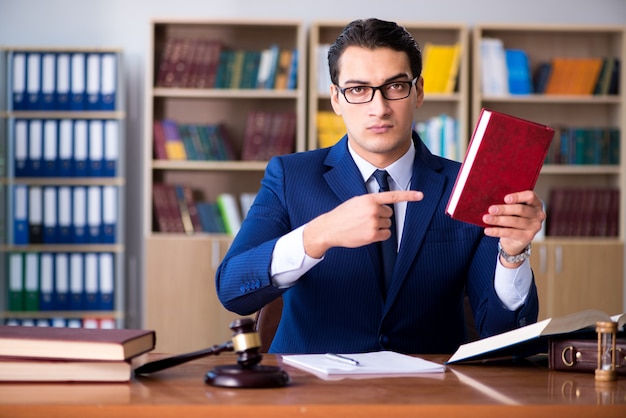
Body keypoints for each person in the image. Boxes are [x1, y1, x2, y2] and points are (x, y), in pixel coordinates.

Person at [216, 18, 543, 354]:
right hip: (310, 393)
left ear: (418, 92)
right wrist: (318, 235)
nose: (379, 108)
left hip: (429, 393)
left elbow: (503, 336)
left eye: (396, 86)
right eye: (358, 90)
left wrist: (513, 254)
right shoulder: (290, 176)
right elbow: (232, 291)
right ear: (336, 99)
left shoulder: (467, 185)